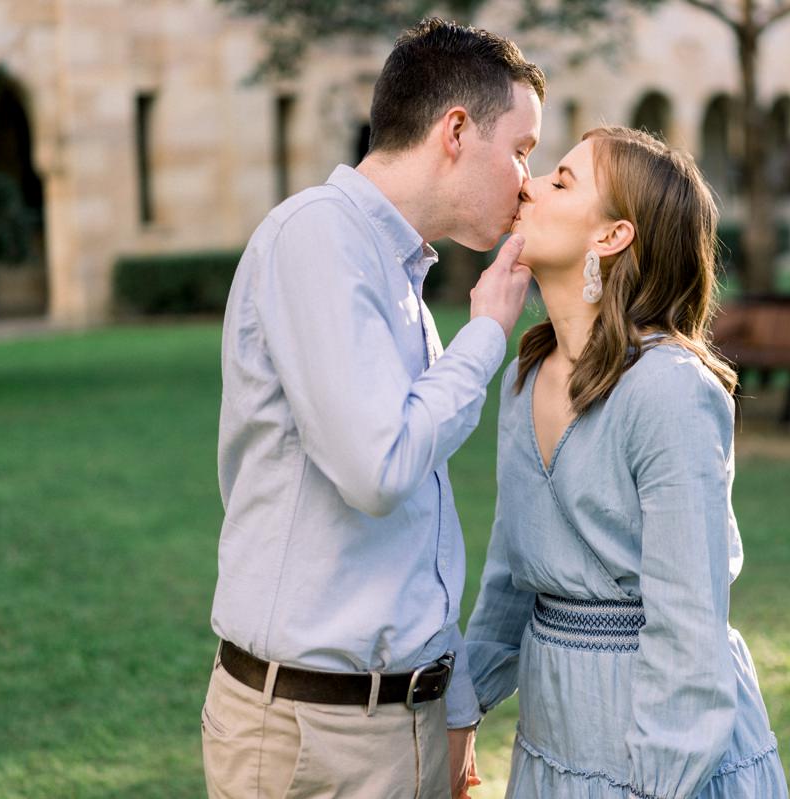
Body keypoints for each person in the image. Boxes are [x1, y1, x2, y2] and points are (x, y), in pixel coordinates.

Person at [201, 18, 545, 799]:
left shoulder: (400, 276)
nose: (528, 180)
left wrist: (450, 704)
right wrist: (487, 333)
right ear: (455, 130)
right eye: (521, 150)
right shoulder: (318, 236)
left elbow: (415, 522)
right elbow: (378, 467)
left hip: (403, 722)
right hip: (312, 737)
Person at [463, 127, 789, 798]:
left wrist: (659, 778)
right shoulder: (524, 375)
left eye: (561, 181)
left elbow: (688, 623)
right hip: (554, 733)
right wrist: (462, 707)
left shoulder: (669, 389)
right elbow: (509, 566)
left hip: (662, 750)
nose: (528, 183)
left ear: (611, 236)